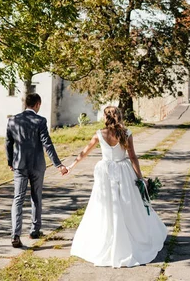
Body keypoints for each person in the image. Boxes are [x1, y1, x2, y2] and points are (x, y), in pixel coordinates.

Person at [67, 106, 167, 267]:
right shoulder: (126, 133)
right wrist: (141, 178)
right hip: (123, 170)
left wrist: (71, 166)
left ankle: (109, 239)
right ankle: (129, 238)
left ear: (105, 117)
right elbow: (133, 157)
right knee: (127, 204)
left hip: (105, 171)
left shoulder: (100, 134)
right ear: (119, 116)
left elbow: (84, 152)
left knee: (106, 205)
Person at [5, 93, 68, 248]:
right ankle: (34, 230)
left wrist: (10, 161)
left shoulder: (13, 120)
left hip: (19, 165)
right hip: (37, 166)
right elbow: (47, 143)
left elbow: (8, 143)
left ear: (26, 103)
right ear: (38, 104)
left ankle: (15, 234)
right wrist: (58, 164)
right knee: (36, 197)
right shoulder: (40, 121)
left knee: (18, 198)